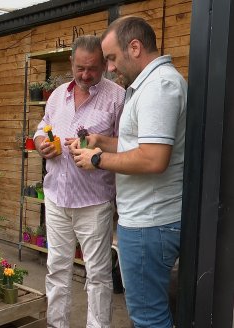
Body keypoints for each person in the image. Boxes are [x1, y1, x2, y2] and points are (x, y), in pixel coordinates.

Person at [71, 16, 187, 328]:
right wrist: (103, 142)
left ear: (134, 47)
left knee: (149, 319)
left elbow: (152, 158)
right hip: (146, 221)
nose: (109, 68)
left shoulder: (159, 87)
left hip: (150, 223)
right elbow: (138, 142)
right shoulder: (148, 86)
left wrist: (96, 160)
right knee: (147, 315)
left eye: (111, 58)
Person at [33, 35, 125, 328]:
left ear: (104, 64)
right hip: (56, 197)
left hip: (93, 201)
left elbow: (127, 143)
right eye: (80, 68)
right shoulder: (58, 94)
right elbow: (41, 128)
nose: (86, 75)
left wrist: (96, 149)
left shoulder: (117, 97)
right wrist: (40, 144)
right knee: (56, 269)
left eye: (93, 68)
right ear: (71, 63)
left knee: (97, 275)